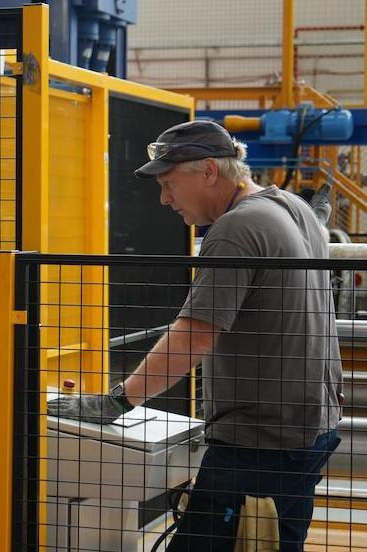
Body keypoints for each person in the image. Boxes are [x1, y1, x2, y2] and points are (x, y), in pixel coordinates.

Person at [47, 120, 342, 551]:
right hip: (310, 428)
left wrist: (116, 401)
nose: (165, 199)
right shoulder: (293, 208)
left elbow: (194, 336)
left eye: (169, 183)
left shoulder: (236, 228)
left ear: (208, 171)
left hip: (259, 443)